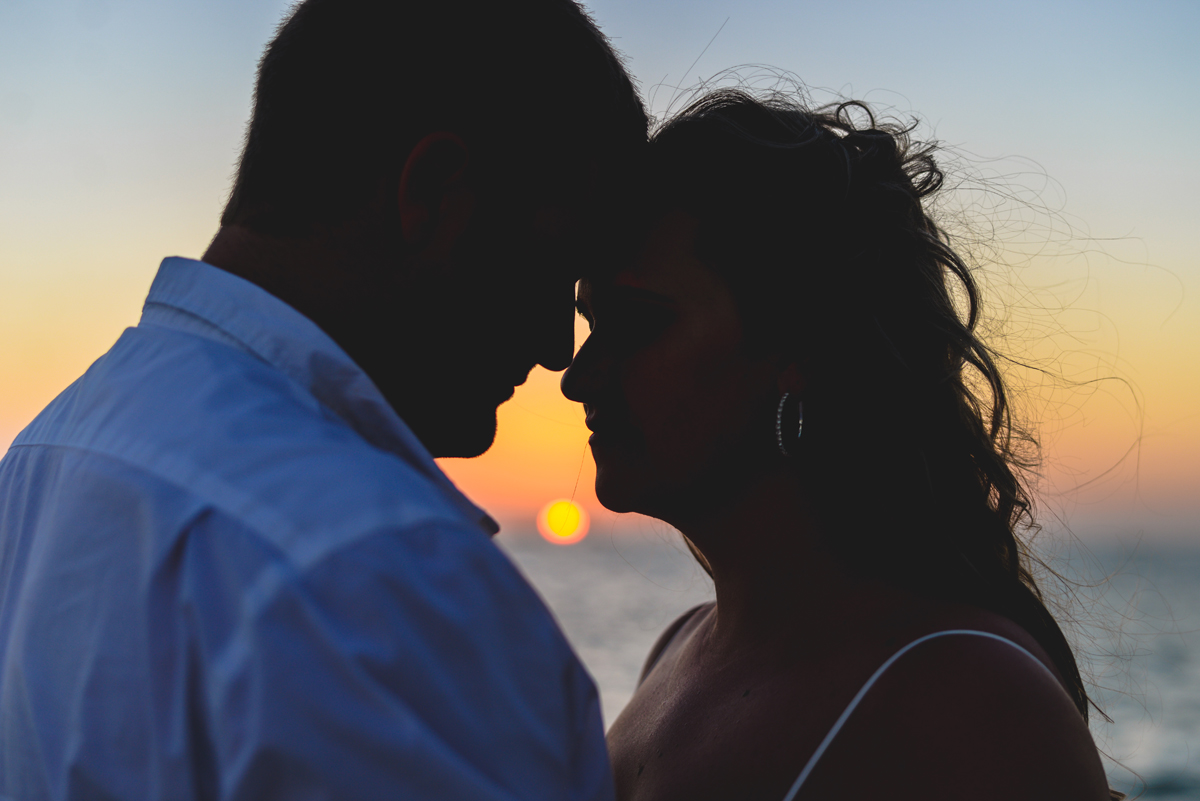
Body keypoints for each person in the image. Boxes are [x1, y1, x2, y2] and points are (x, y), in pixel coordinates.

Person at [0, 1, 646, 798]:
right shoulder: (379, 578)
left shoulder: (40, 458)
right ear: (436, 194)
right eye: (554, 270)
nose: (557, 348)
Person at [562, 88, 1122, 800]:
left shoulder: (970, 700)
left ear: (795, 346)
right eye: (591, 322)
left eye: (638, 322)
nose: (580, 377)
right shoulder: (674, 654)